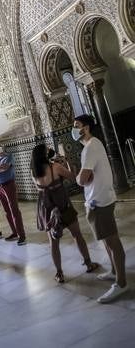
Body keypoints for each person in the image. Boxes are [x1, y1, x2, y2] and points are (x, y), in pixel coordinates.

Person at [73, 114, 128, 303]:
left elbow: (82, 179)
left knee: (112, 240)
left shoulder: (90, 147)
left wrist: (78, 177)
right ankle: (114, 271)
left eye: (77, 125)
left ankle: (121, 283)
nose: (74, 129)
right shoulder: (91, 145)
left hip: (100, 201)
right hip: (97, 199)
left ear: (86, 128)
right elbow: (85, 177)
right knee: (105, 238)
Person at [31, 142, 98, 283]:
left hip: (48, 210)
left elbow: (42, 191)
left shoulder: (33, 172)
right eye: (47, 150)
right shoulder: (55, 167)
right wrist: (67, 163)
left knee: (53, 243)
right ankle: (88, 264)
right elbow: (73, 178)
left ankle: (59, 273)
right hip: (63, 206)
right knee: (77, 235)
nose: (49, 150)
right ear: (43, 155)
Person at [0, 144, 26, 244]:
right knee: (6, 211)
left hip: (9, 185)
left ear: (4, 148)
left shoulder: (9, 157)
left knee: (14, 210)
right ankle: (14, 232)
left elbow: (5, 168)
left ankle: (21, 235)